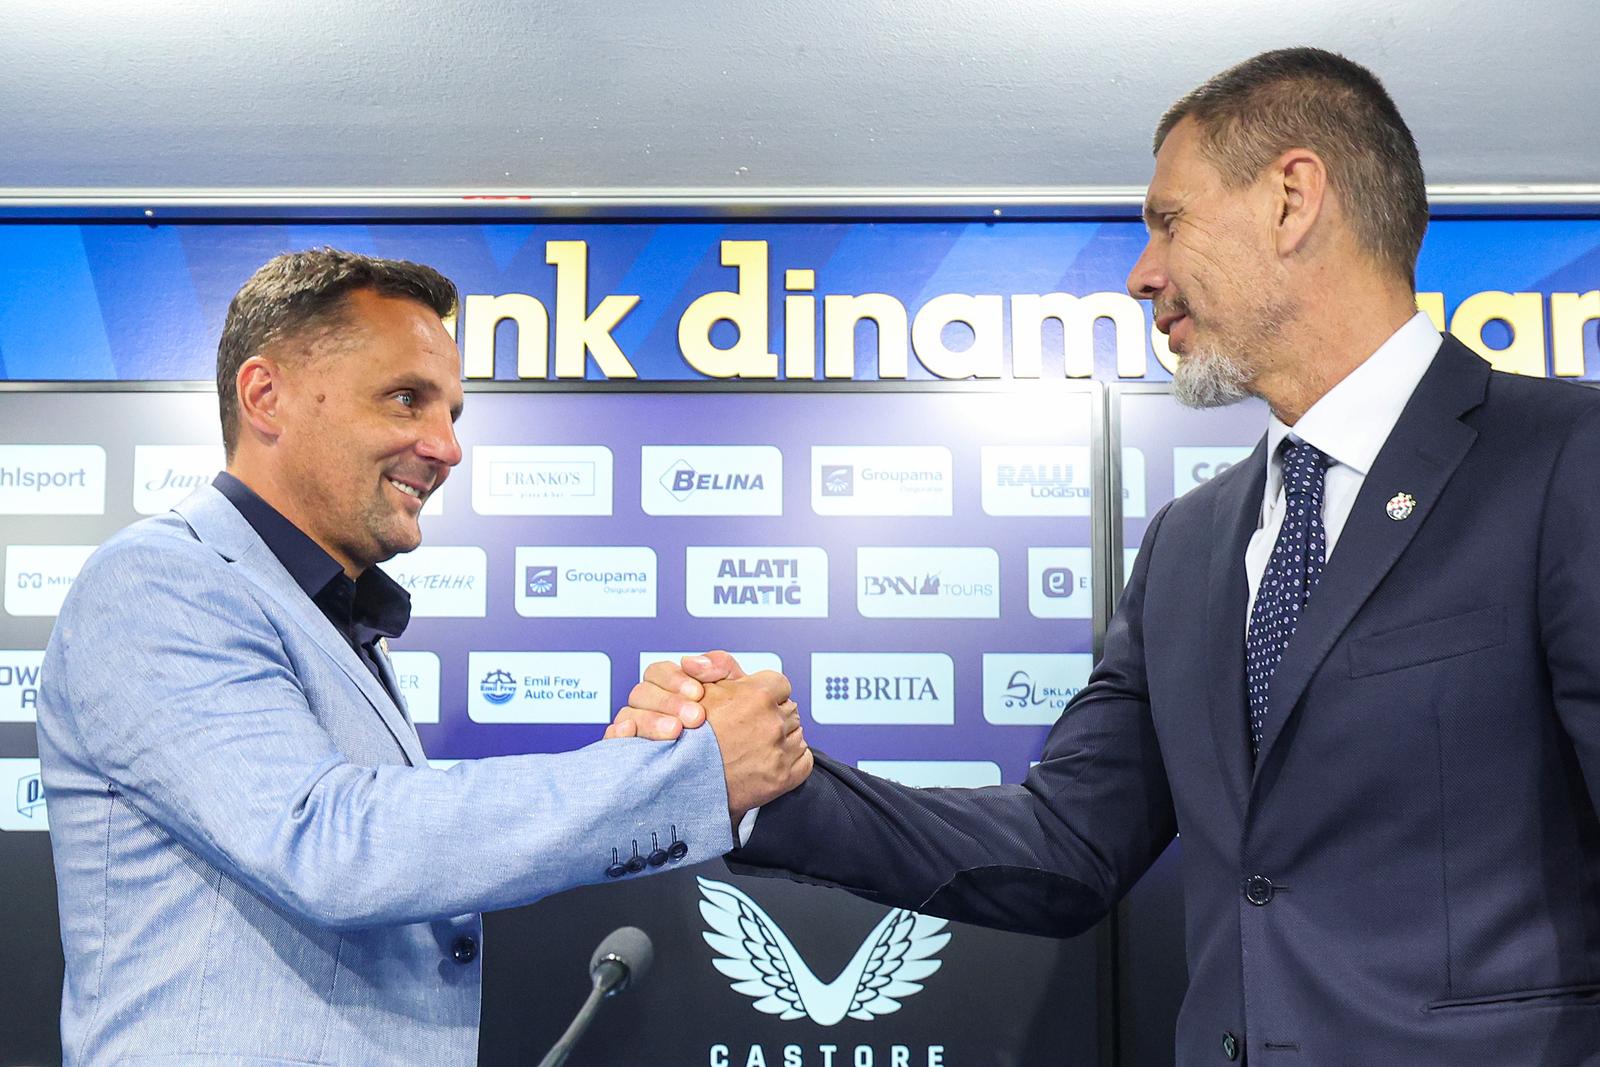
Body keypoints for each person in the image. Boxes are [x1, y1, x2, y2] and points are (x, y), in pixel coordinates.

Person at [613, 48, 1600, 1063]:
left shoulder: (1566, 459)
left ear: (1292, 198)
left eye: (1168, 220)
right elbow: (1062, 846)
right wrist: (773, 785)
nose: (1142, 274)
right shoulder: (1191, 544)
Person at [35, 248, 811, 1066]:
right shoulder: (162, 578)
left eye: (453, 414)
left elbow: (398, 844)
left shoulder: (324, 613)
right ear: (266, 396)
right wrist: (685, 773)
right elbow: (329, 846)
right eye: (407, 399)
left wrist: (634, 762)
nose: (446, 448)